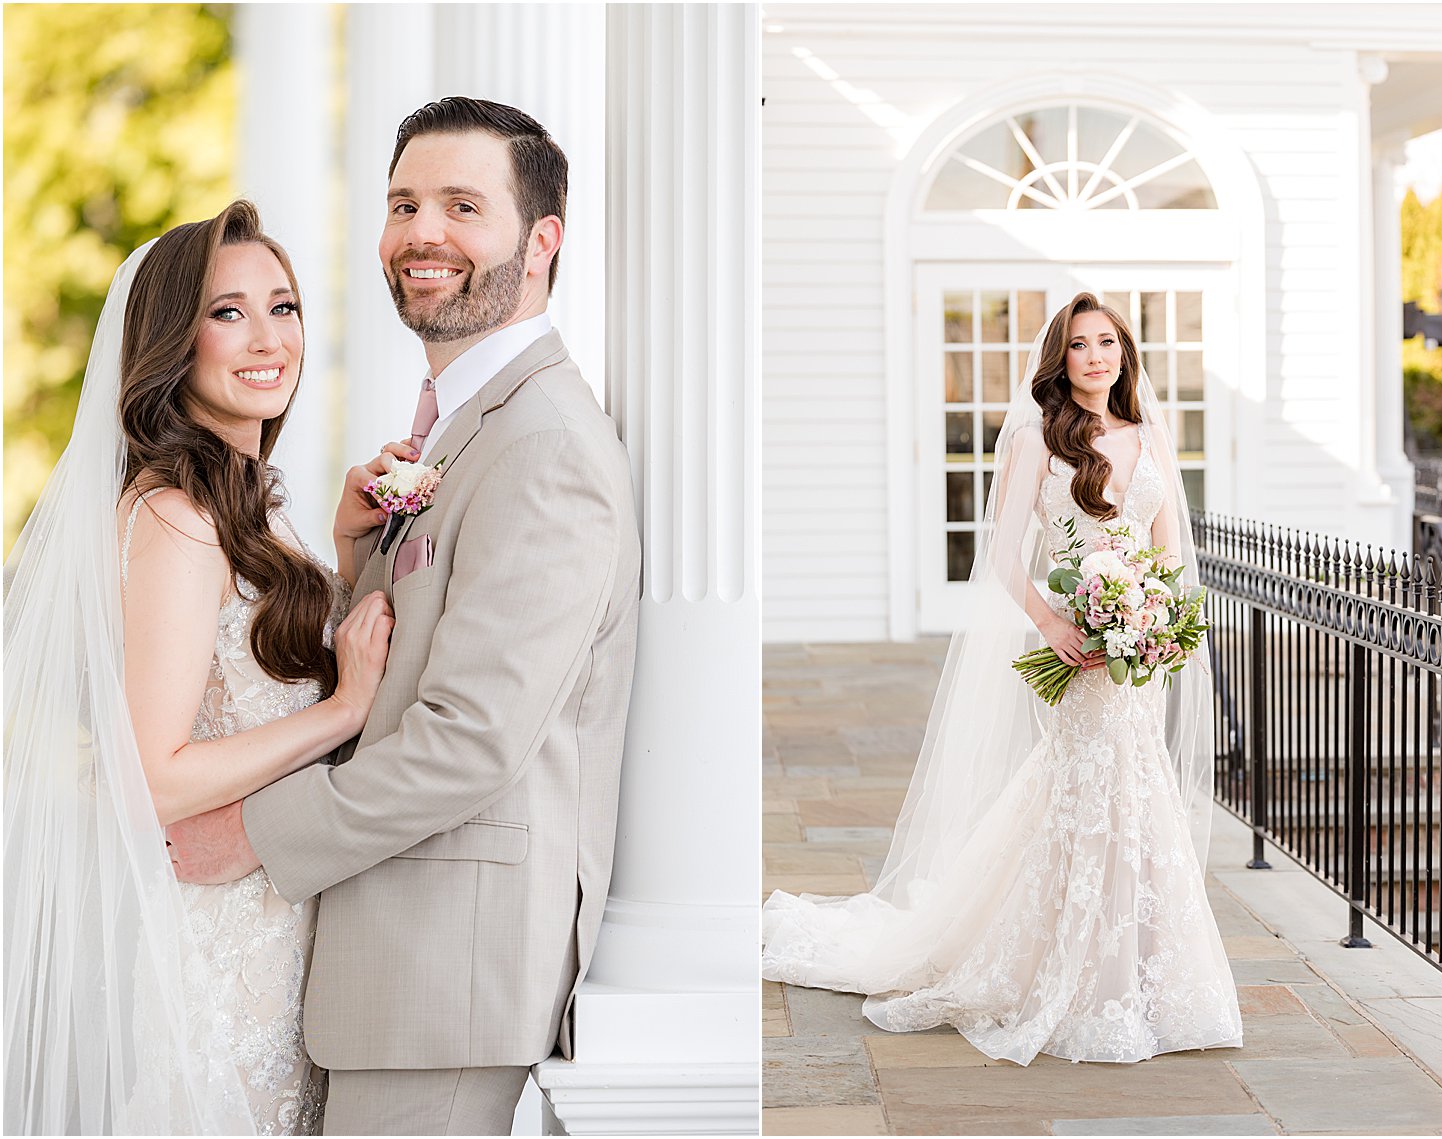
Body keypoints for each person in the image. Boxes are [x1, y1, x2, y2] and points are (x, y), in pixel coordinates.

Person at [166, 98, 643, 1135]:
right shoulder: (460, 429)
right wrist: (350, 561)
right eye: (403, 204)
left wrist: (243, 833)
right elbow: (386, 669)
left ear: (541, 239)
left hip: (444, 973)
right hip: (380, 962)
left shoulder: (546, 445)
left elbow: (469, 741)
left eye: (462, 205)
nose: (422, 233)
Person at [761, 292, 1243, 1065]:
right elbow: (1002, 551)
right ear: (1063, 358)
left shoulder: (1151, 438)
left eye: (1108, 342)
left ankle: (1144, 973)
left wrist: (1155, 624)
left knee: (1135, 790)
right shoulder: (1040, 443)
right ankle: (1071, 971)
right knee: (1091, 783)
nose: (1096, 355)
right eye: (1081, 344)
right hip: (1075, 649)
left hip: (1136, 654)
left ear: (1125, 353)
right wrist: (1056, 624)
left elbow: (1166, 554)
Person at [4, 200, 394, 1133]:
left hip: (273, 927)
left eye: (284, 306)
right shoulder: (178, 518)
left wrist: (338, 554)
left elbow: (247, 677)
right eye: (228, 312)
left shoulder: (240, 502)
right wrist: (342, 712)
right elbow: (154, 773)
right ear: (172, 343)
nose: (268, 337)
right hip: (223, 958)